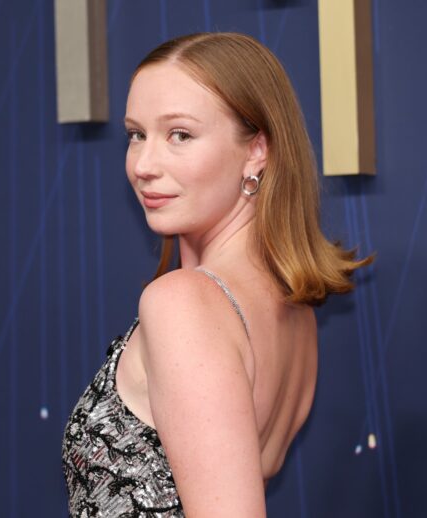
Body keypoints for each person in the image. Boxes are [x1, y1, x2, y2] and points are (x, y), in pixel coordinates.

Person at [62, 32, 371, 517]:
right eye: (136, 134)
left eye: (179, 135)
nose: (144, 165)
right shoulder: (289, 307)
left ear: (257, 151)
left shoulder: (182, 302)